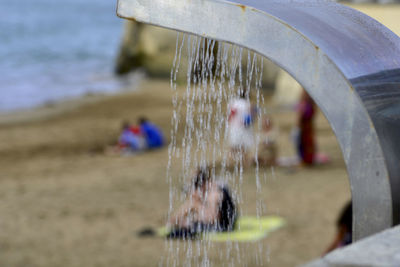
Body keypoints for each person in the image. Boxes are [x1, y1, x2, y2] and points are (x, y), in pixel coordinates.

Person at [167, 167, 237, 239]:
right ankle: (173, 220)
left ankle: (174, 221)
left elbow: (213, 218)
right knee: (193, 203)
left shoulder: (214, 194)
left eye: (195, 184)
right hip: (219, 223)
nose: (194, 188)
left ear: (203, 183)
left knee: (186, 223)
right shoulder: (210, 189)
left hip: (224, 227)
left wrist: (192, 220)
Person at [227, 91, 254, 167]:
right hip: (244, 127)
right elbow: (252, 114)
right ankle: (244, 163)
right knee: (244, 147)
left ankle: (231, 162)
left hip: (234, 127)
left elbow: (231, 114)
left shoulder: (234, 102)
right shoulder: (247, 103)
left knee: (234, 147)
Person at [297, 90, 316, 165]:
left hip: (308, 127)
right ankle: (305, 159)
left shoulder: (309, 104)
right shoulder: (304, 104)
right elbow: (299, 116)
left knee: (308, 143)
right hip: (305, 127)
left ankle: (308, 159)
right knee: (304, 143)